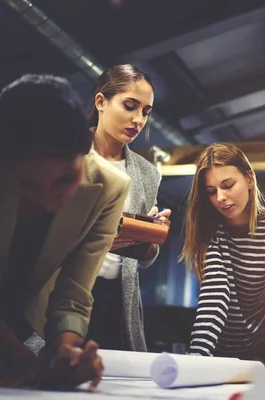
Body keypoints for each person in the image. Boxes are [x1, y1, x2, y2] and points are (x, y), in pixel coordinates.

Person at [0, 74, 130, 390]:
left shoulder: (108, 189)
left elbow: (73, 291)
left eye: (65, 180)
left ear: (86, 145)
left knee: (35, 361)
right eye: (27, 184)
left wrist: (65, 351)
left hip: (25, 329)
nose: (49, 200)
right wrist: (31, 367)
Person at [181, 143, 265, 385]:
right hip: (218, 353)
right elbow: (215, 296)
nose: (220, 197)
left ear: (249, 179)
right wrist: (197, 357)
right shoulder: (211, 231)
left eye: (228, 185)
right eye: (211, 191)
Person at [86, 64, 171, 352]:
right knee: (46, 375)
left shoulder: (148, 174)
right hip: (60, 292)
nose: (138, 119)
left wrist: (152, 234)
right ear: (101, 102)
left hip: (116, 300)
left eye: (146, 112)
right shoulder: (67, 154)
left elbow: (144, 258)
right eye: (130, 106)